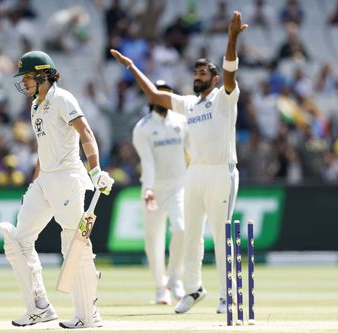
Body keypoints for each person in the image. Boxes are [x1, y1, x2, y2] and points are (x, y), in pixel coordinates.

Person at [111, 10, 247, 314]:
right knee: (190, 235)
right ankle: (193, 288)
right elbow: (154, 94)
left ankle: (228, 295)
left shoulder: (225, 96)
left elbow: (230, 69)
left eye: (202, 75)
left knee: (222, 233)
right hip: (195, 173)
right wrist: (132, 66)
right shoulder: (187, 104)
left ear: (213, 80)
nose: (197, 78)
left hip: (222, 172)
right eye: (195, 75)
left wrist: (232, 38)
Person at [0, 50, 114, 328]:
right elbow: (44, 149)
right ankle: (39, 307)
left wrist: (96, 169)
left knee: (73, 243)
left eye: (27, 77)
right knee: (17, 240)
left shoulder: (63, 99)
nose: (23, 83)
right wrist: (35, 180)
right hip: (45, 180)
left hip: (67, 178)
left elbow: (86, 132)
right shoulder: (36, 105)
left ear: (42, 76)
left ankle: (87, 314)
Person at [132, 80, 188, 305]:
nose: (163, 98)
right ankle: (159, 287)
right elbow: (148, 163)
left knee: (181, 229)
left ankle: (175, 279)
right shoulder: (142, 128)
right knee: (153, 241)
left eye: (168, 94)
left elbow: (192, 152)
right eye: (160, 93)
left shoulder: (182, 121)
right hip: (154, 190)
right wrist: (148, 188)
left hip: (178, 186)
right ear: (151, 97)